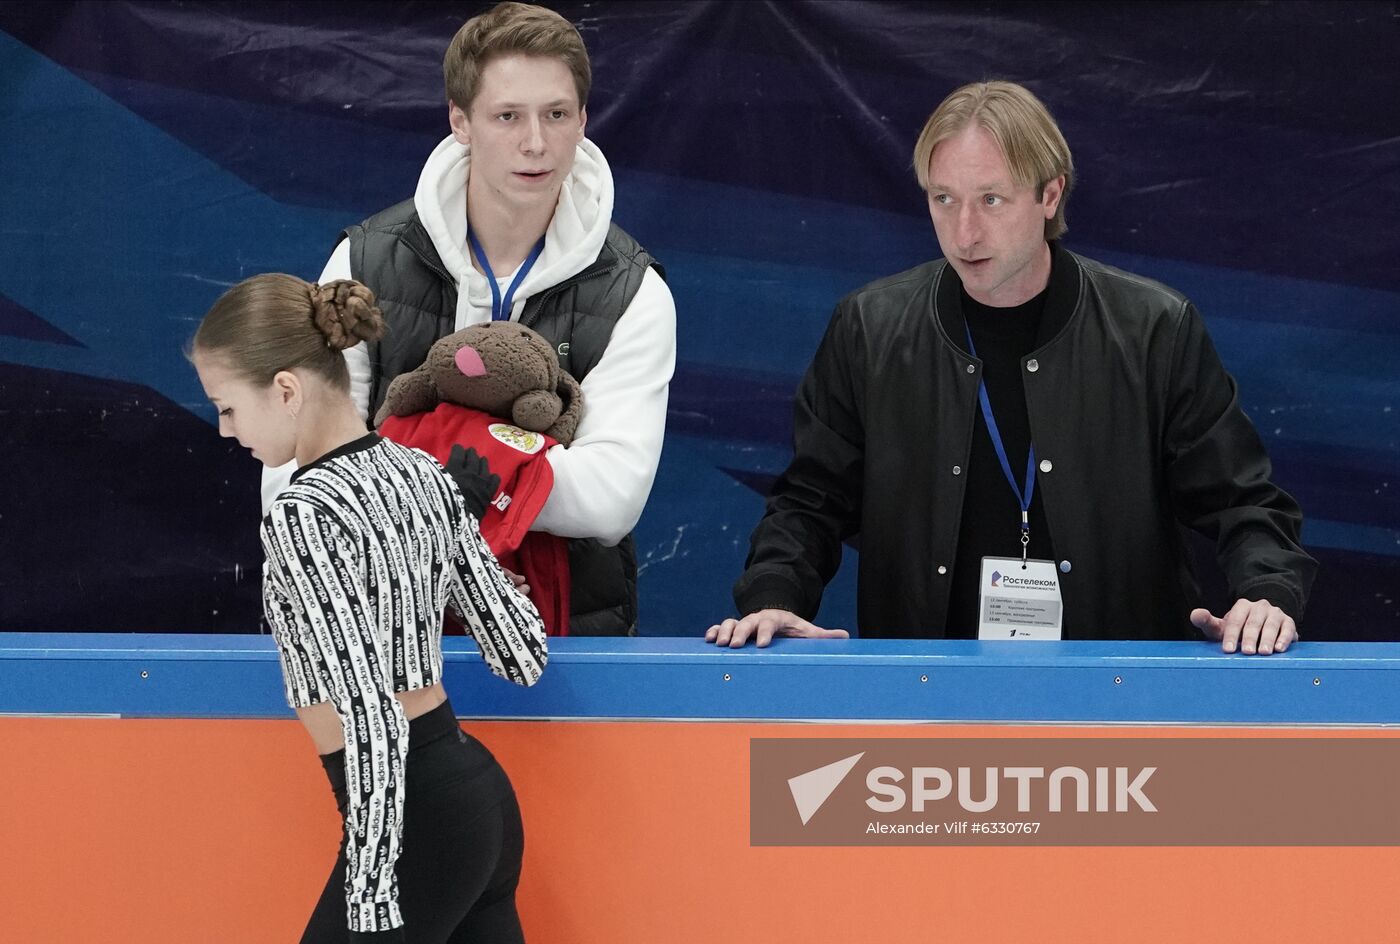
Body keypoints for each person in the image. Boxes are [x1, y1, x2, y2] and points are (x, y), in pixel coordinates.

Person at [707, 80, 1316, 655]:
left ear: (1050, 195)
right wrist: (774, 596)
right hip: (930, 692)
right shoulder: (869, 329)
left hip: (1115, 691)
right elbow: (811, 499)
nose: (965, 231)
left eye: (991, 200)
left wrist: (1266, 594)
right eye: (944, 199)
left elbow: (1244, 499)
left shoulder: (1153, 327)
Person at [262, 1, 677, 636]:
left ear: (583, 119)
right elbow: (294, 471)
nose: (536, 142)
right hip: (374, 627)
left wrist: (396, 468)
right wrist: (500, 482)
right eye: (508, 116)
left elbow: (610, 497)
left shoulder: (634, 290)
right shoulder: (365, 259)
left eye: (556, 115)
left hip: (557, 636)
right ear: (461, 121)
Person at [192, 273, 548, 942]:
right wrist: (445, 549)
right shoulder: (424, 476)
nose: (223, 428)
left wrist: (373, 883)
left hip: (411, 823)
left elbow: (369, 715)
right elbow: (522, 656)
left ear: (286, 390)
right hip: (476, 798)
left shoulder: (303, 515)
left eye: (229, 406)